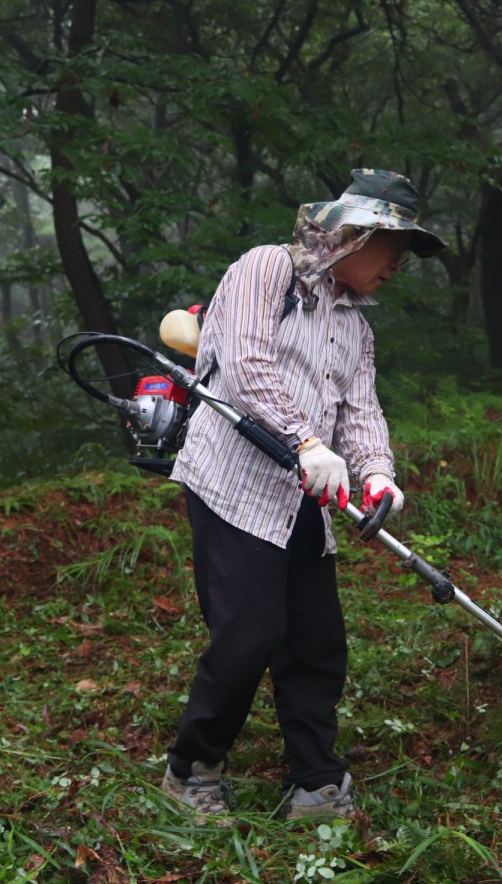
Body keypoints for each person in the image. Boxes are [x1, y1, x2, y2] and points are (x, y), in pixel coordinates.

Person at [162, 168, 447, 822]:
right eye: (394, 252)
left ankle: (316, 783)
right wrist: (304, 442)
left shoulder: (356, 326)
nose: (395, 269)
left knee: (317, 640)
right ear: (357, 235)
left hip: (303, 500)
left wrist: (377, 472)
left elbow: (361, 410)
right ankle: (191, 769)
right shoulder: (266, 270)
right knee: (249, 633)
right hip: (233, 483)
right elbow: (245, 364)